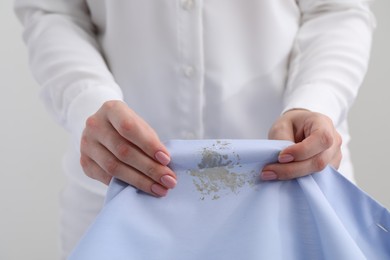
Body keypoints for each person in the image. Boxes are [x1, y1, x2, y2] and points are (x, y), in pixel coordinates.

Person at [14, 0, 375, 258]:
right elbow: (51, 11)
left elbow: (338, 9)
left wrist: (315, 101)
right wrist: (86, 102)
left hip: (295, 189)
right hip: (119, 191)